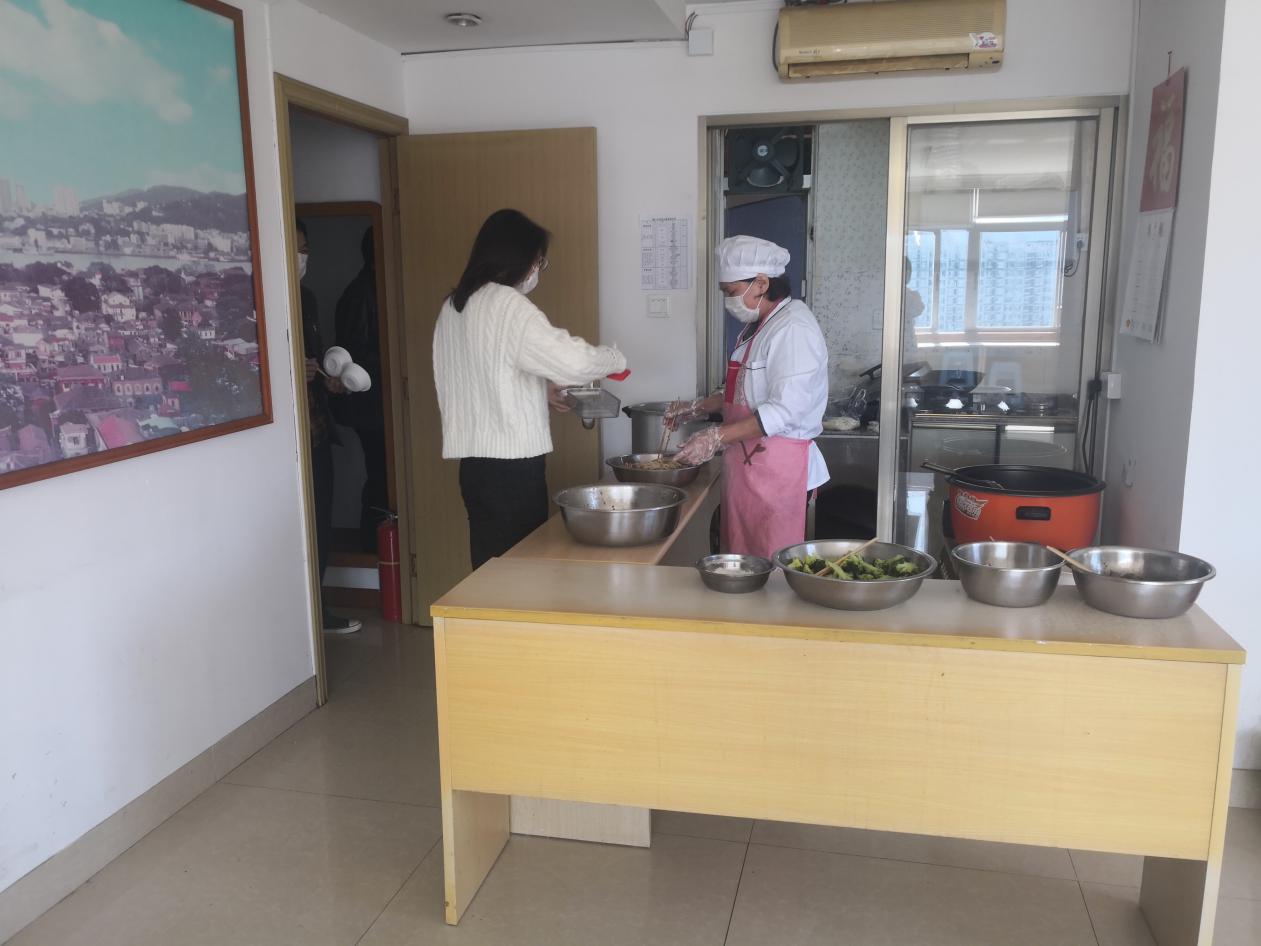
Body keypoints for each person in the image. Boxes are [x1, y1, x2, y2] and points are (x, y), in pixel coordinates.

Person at [433, 209, 626, 569]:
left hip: (474, 468)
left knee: (490, 568)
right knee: (521, 572)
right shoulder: (507, 306)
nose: (538, 269)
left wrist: (539, 393)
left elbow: (485, 378)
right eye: (538, 261)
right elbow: (573, 362)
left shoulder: (454, 307)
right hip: (512, 469)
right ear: (517, 257)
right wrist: (614, 359)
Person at [672, 235, 829, 559]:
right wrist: (697, 407)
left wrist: (715, 436)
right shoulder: (761, 326)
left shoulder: (793, 328)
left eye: (731, 292)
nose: (728, 301)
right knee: (744, 562)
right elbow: (745, 389)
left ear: (761, 283)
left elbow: (785, 411)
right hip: (749, 471)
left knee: (774, 566)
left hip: (780, 473)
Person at [297, 219, 362, 635]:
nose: (301, 258)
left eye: (305, 250)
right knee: (293, 531)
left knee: (320, 525)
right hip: (283, 442)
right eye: (294, 249)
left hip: (316, 428)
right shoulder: (255, 297)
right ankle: (299, 619)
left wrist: (327, 379)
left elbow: (316, 357)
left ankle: (316, 611)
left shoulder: (305, 298)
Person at [332, 226, 388, 552]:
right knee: (381, 475)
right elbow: (355, 352)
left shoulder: (373, 288)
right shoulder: (361, 293)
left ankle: (379, 541)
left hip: (376, 404)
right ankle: (375, 544)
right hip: (370, 404)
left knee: (382, 473)